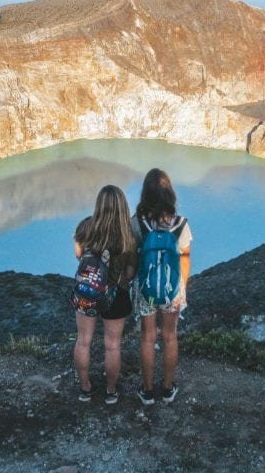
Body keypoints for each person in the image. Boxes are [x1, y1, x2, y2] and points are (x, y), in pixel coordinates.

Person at [132, 168, 192, 405]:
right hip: (172, 290)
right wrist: (181, 289)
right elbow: (185, 258)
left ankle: (147, 391)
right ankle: (167, 389)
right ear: (170, 194)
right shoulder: (181, 224)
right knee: (169, 337)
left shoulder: (137, 223)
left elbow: (132, 256)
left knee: (147, 338)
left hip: (145, 290)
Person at [72, 185, 137, 405]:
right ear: (122, 206)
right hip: (116, 295)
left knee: (83, 341)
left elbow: (78, 255)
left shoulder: (85, 226)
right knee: (112, 345)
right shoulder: (128, 236)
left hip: (87, 292)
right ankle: (110, 391)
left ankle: (85, 388)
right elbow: (130, 273)